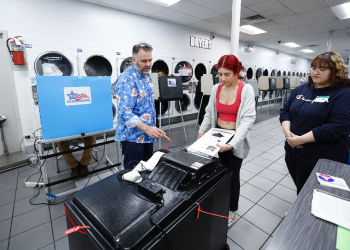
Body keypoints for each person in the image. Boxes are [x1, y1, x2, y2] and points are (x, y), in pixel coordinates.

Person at [197, 54, 256, 228]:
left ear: (236, 72)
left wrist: (233, 144)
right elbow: (209, 112)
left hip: (235, 137)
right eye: (219, 74)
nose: (222, 78)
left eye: (226, 74)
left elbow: (247, 120)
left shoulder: (246, 90)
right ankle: (217, 205)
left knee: (232, 175)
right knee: (216, 173)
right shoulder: (216, 88)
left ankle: (231, 209)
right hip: (217, 134)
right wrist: (202, 132)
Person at [280, 51, 350, 195]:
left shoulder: (343, 93)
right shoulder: (302, 89)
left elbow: (337, 127)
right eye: (313, 68)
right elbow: (285, 111)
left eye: (322, 69)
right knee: (301, 187)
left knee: (315, 192)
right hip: (292, 150)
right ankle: (300, 209)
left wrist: (300, 139)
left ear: (336, 71)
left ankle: (302, 215)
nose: (315, 72)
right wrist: (289, 135)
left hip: (321, 156)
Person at [114, 42, 165, 170]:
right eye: (143, 61)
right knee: (133, 174)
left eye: (150, 60)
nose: (148, 64)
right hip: (133, 138)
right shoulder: (126, 80)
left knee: (146, 170)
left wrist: (151, 128)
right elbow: (125, 113)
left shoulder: (147, 76)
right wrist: (148, 128)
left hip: (148, 135)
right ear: (133, 59)